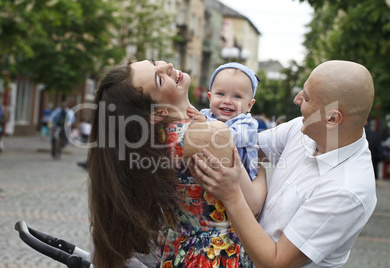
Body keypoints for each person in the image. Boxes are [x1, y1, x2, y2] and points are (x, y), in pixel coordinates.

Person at [191, 60, 377, 267]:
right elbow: (243, 149)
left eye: (306, 98)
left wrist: (232, 194)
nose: (297, 100)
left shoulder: (347, 190)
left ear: (332, 119)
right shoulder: (303, 129)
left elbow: (275, 262)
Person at [87, 58, 267, 268]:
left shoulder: (155, 139)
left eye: (155, 63)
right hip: (218, 257)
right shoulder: (210, 133)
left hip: (176, 255)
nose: (167, 67)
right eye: (159, 78)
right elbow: (252, 205)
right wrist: (261, 169)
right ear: (158, 112)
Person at [187, 62, 260, 180]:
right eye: (220, 94)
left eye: (237, 96)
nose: (227, 101)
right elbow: (187, 112)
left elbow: (229, 138)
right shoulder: (205, 114)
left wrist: (206, 122)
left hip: (239, 182)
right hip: (208, 172)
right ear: (210, 98)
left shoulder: (247, 124)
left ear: (249, 105)